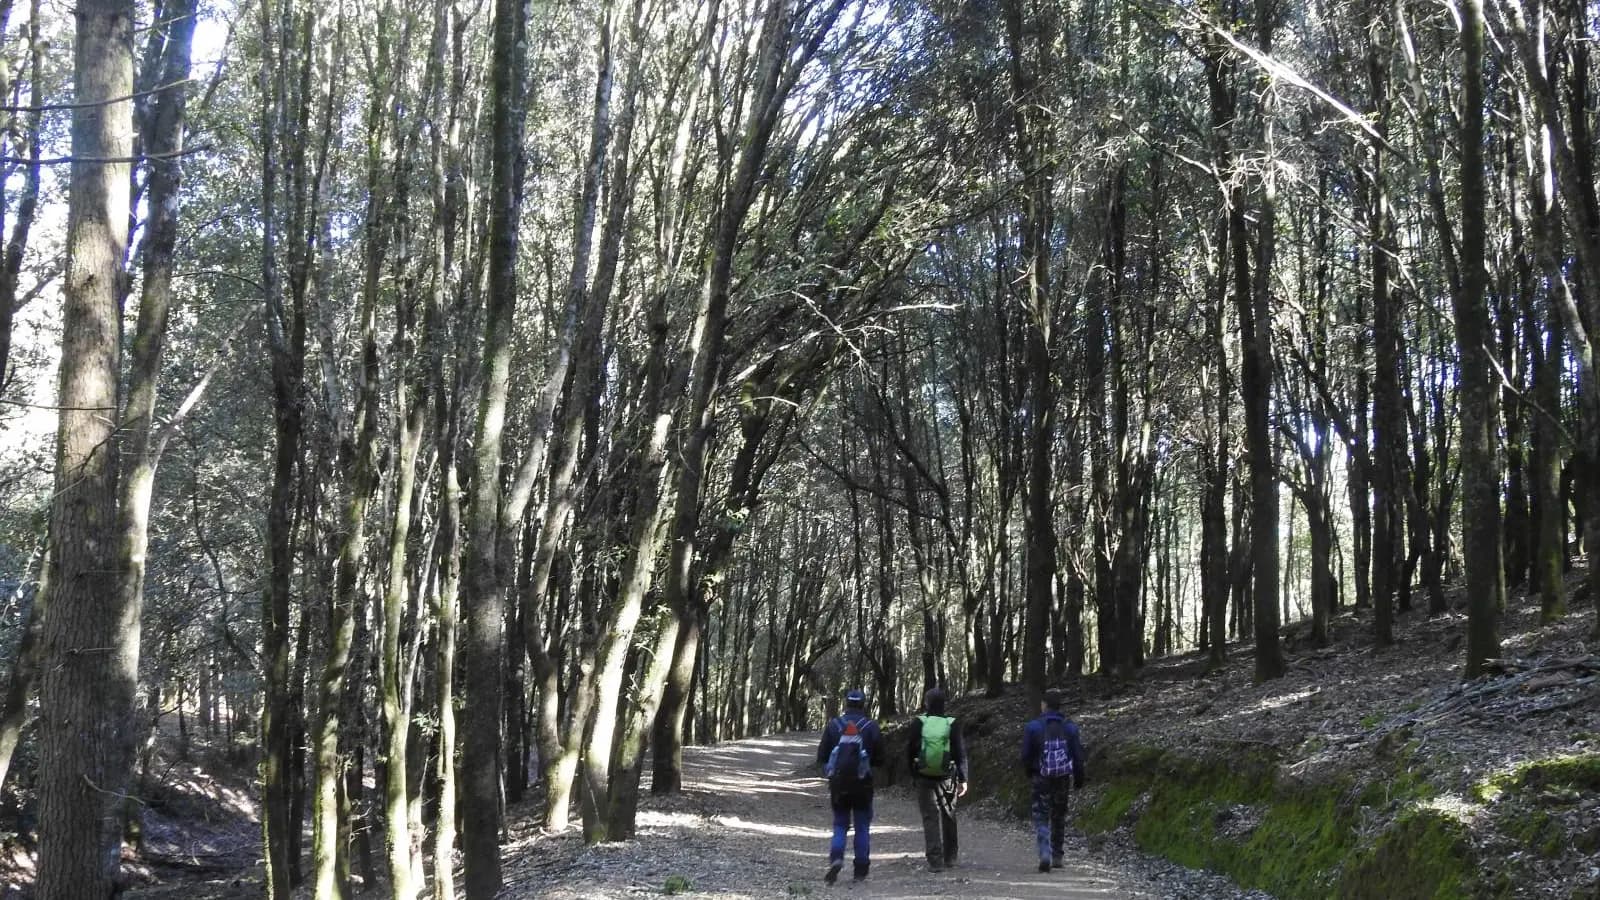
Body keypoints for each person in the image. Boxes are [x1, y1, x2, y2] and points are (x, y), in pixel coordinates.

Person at [816, 688, 883, 884]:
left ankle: (836, 858)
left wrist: (831, 772)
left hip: (838, 784)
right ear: (863, 704)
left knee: (839, 824)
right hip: (863, 784)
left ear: (846, 704)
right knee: (862, 826)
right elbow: (881, 758)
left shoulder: (834, 725)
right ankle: (860, 870)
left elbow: (822, 756)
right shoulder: (871, 726)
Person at [1020, 687, 1086, 872]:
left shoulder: (1033, 727)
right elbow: (1078, 756)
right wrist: (1079, 778)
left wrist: (1029, 772)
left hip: (1040, 776)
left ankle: (1044, 851)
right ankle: (1057, 855)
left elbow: (1025, 755)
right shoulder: (1070, 728)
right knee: (1059, 815)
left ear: (1044, 705)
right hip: (1063, 778)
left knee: (1041, 814)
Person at [904, 687, 968, 871]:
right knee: (949, 814)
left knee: (930, 817)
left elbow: (910, 750)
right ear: (944, 704)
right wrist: (963, 778)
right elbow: (960, 752)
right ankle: (951, 857)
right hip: (947, 776)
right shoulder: (952, 723)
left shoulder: (920, 722)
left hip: (923, 775)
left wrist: (913, 773)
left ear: (927, 703)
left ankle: (935, 860)